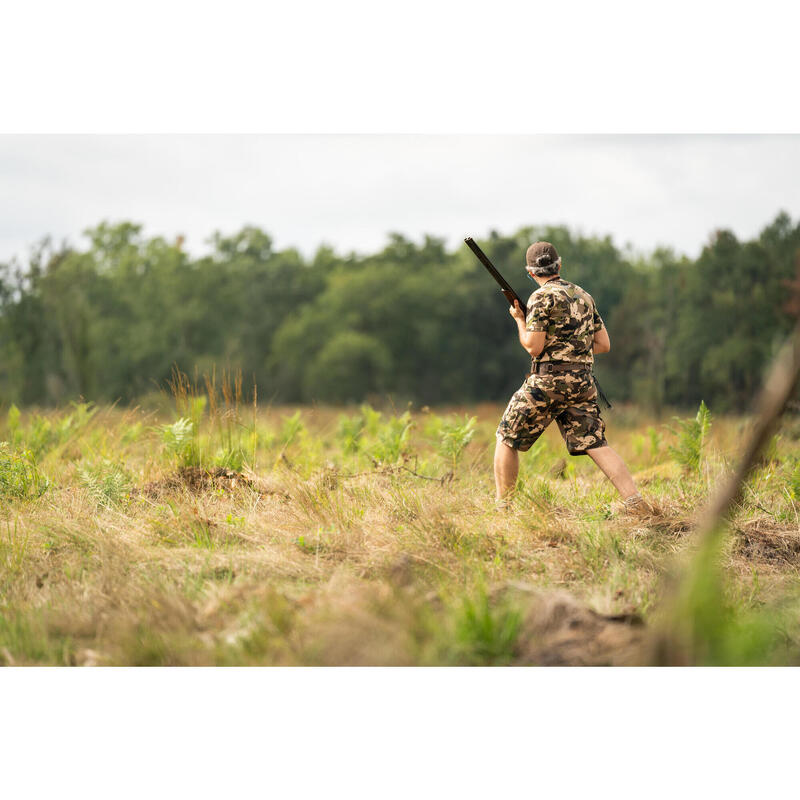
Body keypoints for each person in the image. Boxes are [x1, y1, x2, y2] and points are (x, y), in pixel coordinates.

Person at [494, 240, 648, 513]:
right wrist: (571, 346)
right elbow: (603, 345)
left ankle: (503, 508)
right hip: (582, 383)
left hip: (547, 382)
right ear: (559, 265)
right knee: (596, 443)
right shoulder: (583, 296)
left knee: (507, 435)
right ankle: (635, 502)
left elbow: (534, 346)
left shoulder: (540, 297)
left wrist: (519, 319)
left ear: (530, 273)